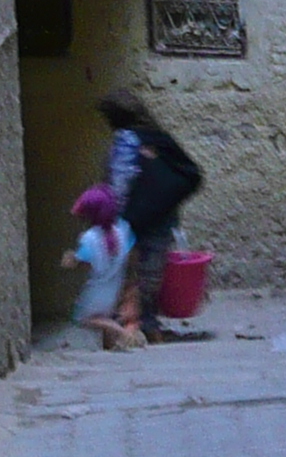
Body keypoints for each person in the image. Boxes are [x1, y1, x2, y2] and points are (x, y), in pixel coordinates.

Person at [96, 89, 202, 341]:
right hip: (162, 218)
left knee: (126, 275)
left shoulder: (126, 140)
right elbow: (190, 174)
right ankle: (148, 325)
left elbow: (118, 183)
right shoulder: (161, 139)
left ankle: (127, 328)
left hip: (132, 220)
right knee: (151, 275)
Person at [62, 184, 140, 351]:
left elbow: (81, 262)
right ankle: (113, 346)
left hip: (96, 290)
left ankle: (121, 332)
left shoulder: (90, 238)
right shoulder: (122, 229)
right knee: (106, 317)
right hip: (114, 287)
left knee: (83, 318)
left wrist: (71, 258)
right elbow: (132, 254)